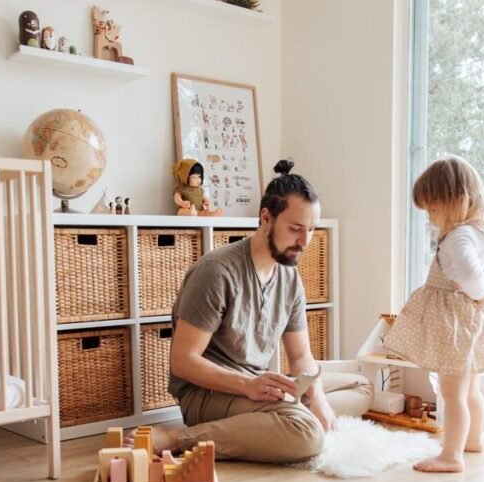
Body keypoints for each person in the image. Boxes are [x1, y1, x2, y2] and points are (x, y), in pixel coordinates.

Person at [140, 160, 372, 463]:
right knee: (307, 434)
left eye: (312, 230)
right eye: (295, 229)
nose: (305, 242)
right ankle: (176, 439)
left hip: (257, 383)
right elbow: (183, 362)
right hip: (208, 394)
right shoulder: (217, 272)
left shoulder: (289, 277)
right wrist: (248, 386)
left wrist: (317, 400)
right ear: (266, 218)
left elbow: (300, 357)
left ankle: (281, 417)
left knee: (361, 385)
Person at [384, 155, 484, 473]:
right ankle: (473, 440)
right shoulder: (480, 233)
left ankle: (451, 455)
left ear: (457, 200)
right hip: (469, 319)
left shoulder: (459, 236)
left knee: (451, 392)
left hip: (454, 322)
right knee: (470, 389)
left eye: (433, 208)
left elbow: (468, 271)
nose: (430, 216)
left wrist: (481, 292)